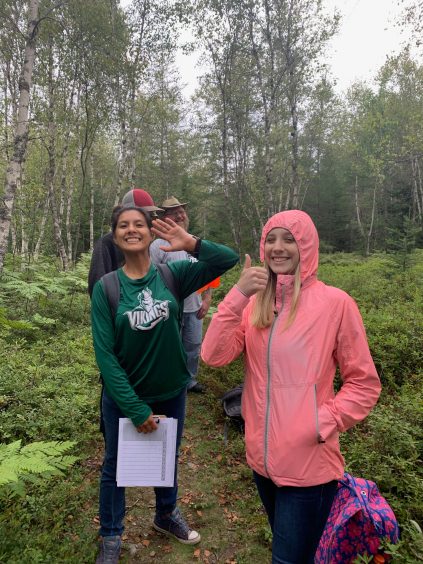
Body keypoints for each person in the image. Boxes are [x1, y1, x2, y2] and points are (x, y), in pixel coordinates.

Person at [201, 210, 381, 564]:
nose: (277, 248)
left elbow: (363, 384)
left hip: (309, 466)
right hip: (261, 460)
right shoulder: (255, 304)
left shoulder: (335, 304)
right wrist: (237, 295)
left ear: (307, 247)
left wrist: (320, 422)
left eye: (289, 240)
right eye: (271, 239)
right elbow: (213, 355)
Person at [91, 205, 238, 563]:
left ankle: (165, 514)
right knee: (114, 466)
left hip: (172, 392)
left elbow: (227, 260)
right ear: (115, 235)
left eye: (138, 224)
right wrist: (135, 408)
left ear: (150, 232)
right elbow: (106, 357)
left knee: (165, 455)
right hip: (126, 397)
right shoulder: (107, 288)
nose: (131, 230)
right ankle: (111, 535)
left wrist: (191, 243)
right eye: (123, 225)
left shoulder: (172, 275)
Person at [150, 196, 212, 393]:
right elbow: (150, 277)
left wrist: (207, 298)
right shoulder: (158, 245)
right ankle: (170, 381)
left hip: (194, 307)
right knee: (170, 346)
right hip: (169, 308)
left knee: (193, 345)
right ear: (165, 217)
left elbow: (207, 271)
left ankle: (189, 380)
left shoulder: (194, 242)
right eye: (174, 212)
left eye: (181, 211)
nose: (180, 215)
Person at [88, 188, 162, 297]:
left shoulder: (150, 240)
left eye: (150, 215)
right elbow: (96, 285)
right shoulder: (107, 243)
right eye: (145, 214)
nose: (148, 219)